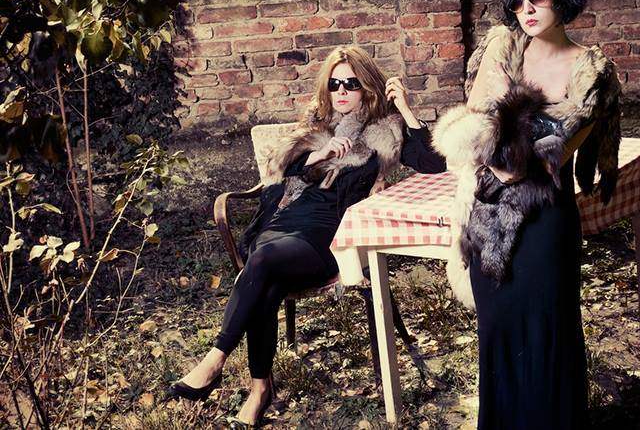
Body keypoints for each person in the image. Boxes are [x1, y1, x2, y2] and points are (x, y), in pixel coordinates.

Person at [167, 46, 446, 427]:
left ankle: (222, 364)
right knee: (265, 273)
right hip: (286, 220)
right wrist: (318, 155)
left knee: (262, 266)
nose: (342, 91)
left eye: (351, 83)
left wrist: (408, 112)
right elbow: (280, 169)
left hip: (331, 232)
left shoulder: (386, 130)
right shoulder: (316, 125)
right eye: (335, 84)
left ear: (367, 87)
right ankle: (256, 389)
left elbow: (435, 164)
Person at [431, 0, 622, 429]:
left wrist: (508, 137)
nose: (527, 9)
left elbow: (542, 159)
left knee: (547, 333)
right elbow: (473, 133)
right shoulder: (503, 49)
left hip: (544, 219)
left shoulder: (591, 69)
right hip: (487, 217)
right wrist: (503, 136)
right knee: (498, 332)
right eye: (517, 2)